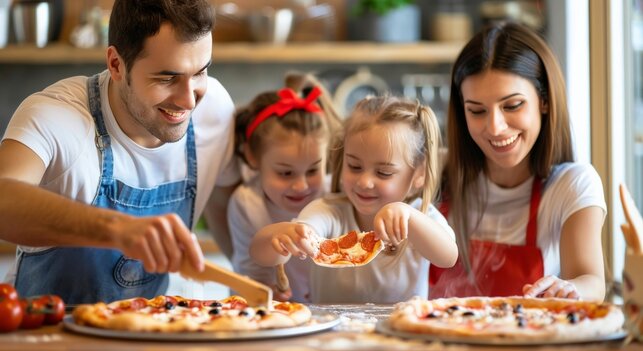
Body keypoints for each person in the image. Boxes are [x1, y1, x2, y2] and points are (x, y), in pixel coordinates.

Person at [0, 0, 240, 304]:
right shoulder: (56, 115)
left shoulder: (215, 109)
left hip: (148, 336)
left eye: (201, 72)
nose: (189, 100)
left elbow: (225, 205)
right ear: (116, 64)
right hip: (50, 341)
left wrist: (259, 268)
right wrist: (116, 229)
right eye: (167, 78)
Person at [429, 22, 606, 301]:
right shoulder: (434, 173)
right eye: (476, 111)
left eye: (512, 106)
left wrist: (572, 289)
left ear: (544, 100)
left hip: (529, 342)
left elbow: (591, 281)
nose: (495, 127)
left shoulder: (572, 184)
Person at [250, 95, 458, 303]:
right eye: (355, 167)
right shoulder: (328, 211)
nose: (365, 182)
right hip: (332, 333)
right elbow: (261, 255)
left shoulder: (420, 215)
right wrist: (280, 237)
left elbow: (448, 257)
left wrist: (410, 218)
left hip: (402, 331)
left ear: (419, 174)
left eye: (383, 173)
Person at [228, 72, 342, 302]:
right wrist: (270, 291)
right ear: (253, 157)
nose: (301, 185)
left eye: (312, 171)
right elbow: (251, 278)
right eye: (285, 173)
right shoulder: (247, 203)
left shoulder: (337, 195)